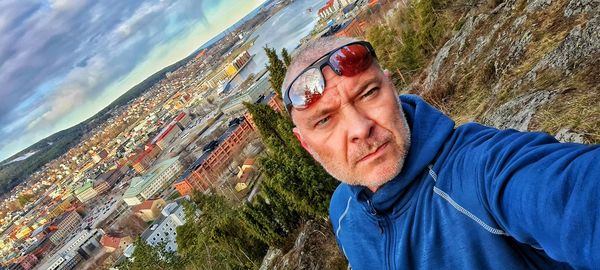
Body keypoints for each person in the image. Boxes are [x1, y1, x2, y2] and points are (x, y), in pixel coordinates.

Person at [281, 36, 600, 269]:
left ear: (393, 89)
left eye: (368, 93)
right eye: (324, 120)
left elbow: (576, 193)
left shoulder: (478, 172)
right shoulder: (344, 212)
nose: (359, 128)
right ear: (306, 144)